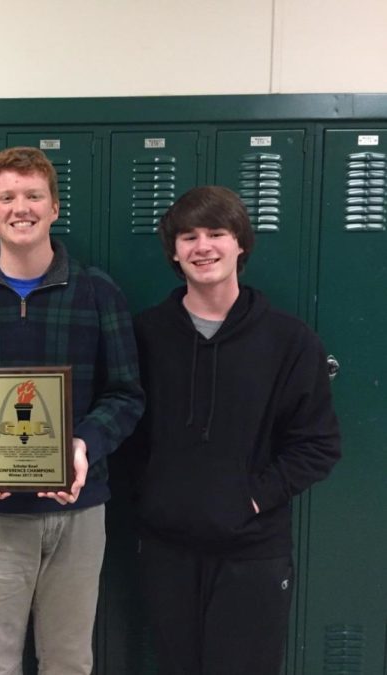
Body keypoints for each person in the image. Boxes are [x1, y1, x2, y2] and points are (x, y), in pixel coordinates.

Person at [0, 147, 144, 674]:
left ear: (55, 207)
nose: (22, 207)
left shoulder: (97, 293)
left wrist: (84, 446)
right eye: (8, 197)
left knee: (68, 661)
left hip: (78, 507)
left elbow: (127, 394)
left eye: (34, 195)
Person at [126, 185, 341, 675]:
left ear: (240, 243)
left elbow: (319, 445)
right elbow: (124, 429)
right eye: (188, 237)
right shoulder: (145, 335)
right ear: (174, 253)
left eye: (217, 233)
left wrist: (253, 497)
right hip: (167, 549)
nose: (203, 247)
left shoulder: (289, 340)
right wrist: (156, 494)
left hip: (252, 550)